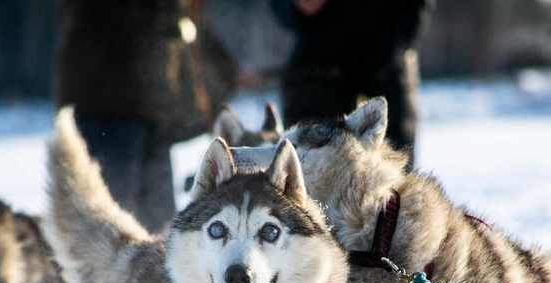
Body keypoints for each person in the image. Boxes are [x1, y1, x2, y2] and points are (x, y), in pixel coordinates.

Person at [54, 0, 235, 232]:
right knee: (106, 227)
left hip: (153, 109)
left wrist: (225, 70)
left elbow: (185, 23)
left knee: (161, 228)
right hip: (107, 105)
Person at [272, 0, 435, 166]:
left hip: (389, 62)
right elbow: (281, 7)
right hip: (318, 67)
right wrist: (295, 7)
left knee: (395, 173)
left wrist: (395, 47)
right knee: (305, 168)